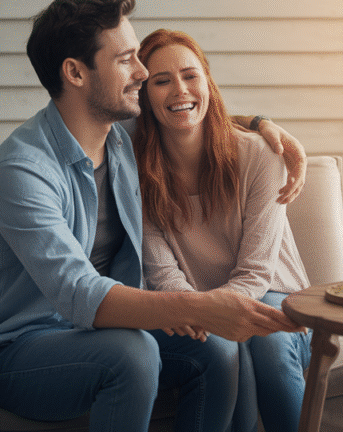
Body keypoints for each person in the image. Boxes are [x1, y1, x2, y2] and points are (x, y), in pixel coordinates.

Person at [0, 0, 305, 432]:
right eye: (127, 59)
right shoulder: (23, 170)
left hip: (101, 329)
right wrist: (197, 306)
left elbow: (190, 112)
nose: (143, 73)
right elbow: (77, 292)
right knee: (134, 353)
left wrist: (263, 124)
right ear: (75, 72)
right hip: (19, 345)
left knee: (221, 348)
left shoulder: (121, 140)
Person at [134, 29, 312, 432]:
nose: (179, 89)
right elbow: (164, 276)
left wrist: (214, 313)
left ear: (207, 82)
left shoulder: (261, 155)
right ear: (144, 95)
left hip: (274, 294)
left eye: (190, 75)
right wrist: (207, 314)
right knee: (224, 351)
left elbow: (256, 273)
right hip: (194, 303)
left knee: (265, 344)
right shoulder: (136, 172)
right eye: (161, 81)